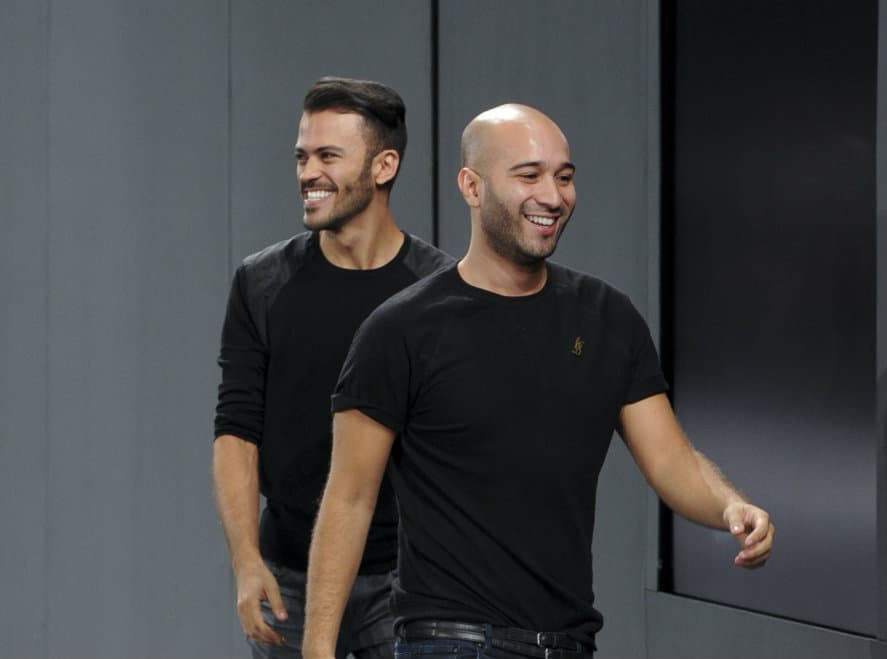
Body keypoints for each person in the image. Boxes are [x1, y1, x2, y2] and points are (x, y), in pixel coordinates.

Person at [301, 103, 775, 659]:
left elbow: (672, 460)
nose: (552, 196)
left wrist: (730, 507)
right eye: (528, 176)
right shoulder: (401, 329)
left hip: (569, 643)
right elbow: (349, 498)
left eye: (564, 177)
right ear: (472, 186)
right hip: (452, 642)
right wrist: (318, 649)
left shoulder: (606, 317)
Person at [213, 77, 453, 659]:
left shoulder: (440, 290)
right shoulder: (262, 283)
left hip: (405, 582)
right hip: (288, 578)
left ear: (384, 166)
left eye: (328, 156)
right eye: (302, 157)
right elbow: (236, 431)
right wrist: (246, 562)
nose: (308, 173)